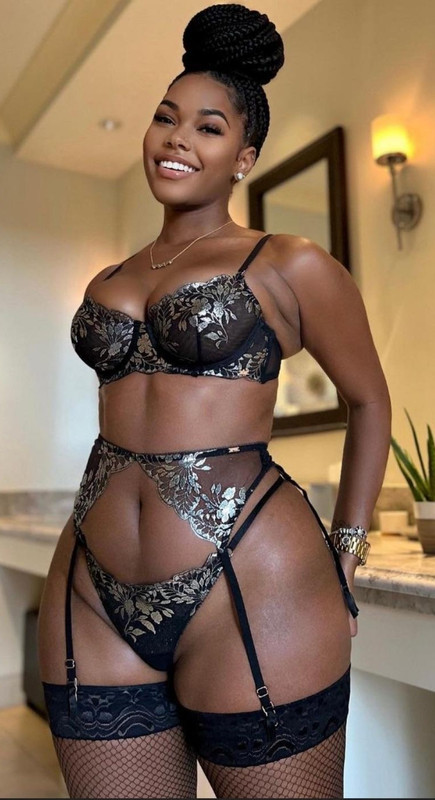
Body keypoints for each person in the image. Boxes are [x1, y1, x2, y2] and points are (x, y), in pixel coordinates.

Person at [37, 4, 391, 798]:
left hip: (250, 582)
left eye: (207, 127)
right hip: (91, 589)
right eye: (165, 118)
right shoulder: (108, 279)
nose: (176, 139)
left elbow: (368, 401)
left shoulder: (287, 262)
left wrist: (347, 550)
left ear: (244, 157)